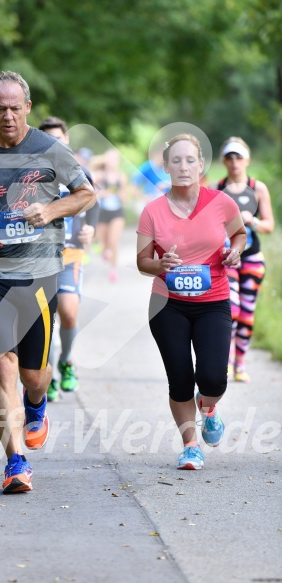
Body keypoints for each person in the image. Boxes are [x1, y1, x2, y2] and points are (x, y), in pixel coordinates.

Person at [0, 71, 95, 494]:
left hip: (40, 273)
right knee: (1, 364)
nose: (8, 116)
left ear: (27, 108)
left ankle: (36, 403)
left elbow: (87, 193)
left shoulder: (51, 150)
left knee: (33, 374)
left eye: (15, 108)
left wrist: (50, 212)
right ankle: (15, 462)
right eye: (0, 108)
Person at [136, 133, 246, 470]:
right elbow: (142, 262)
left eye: (190, 160)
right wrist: (160, 264)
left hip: (213, 301)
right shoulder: (153, 211)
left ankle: (208, 408)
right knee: (180, 377)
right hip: (167, 304)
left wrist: (235, 252)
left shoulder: (222, 203)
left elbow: (239, 234)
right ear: (166, 167)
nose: (183, 167)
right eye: (176, 161)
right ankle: (190, 446)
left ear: (201, 165)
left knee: (214, 378)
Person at [38, 116, 99, 401]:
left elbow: (92, 203)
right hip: (38, 257)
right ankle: (47, 372)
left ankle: (68, 360)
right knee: (45, 318)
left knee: (69, 312)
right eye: (48, 139)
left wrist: (90, 229)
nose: (54, 143)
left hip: (71, 253)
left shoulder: (80, 171)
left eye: (58, 138)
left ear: (67, 140)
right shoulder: (32, 174)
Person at [211, 137, 274, 382]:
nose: (234, 162)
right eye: (230, 157)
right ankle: (224, 363)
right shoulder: (217, 189)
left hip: (252, 258)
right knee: (231, 309)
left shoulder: (257, 188)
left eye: (239, 156)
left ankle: (240, 365)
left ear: (246, 159)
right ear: (223, 161)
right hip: (227, 260)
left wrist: (253, 220)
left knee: (247, 312)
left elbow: (269, 225)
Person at [94, 148, 129, 282]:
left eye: (114, 159)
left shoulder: (121, 177)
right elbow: (92, 193)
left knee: (113, 242)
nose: (112, 162)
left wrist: (121, 195)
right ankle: (105, 251)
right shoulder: (100, 175)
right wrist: (103, 193)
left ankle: (113, 270)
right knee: (104, 242)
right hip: (102, 212)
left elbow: (125, 197)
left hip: (117, 212)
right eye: (109, 158)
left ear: (118, 162)